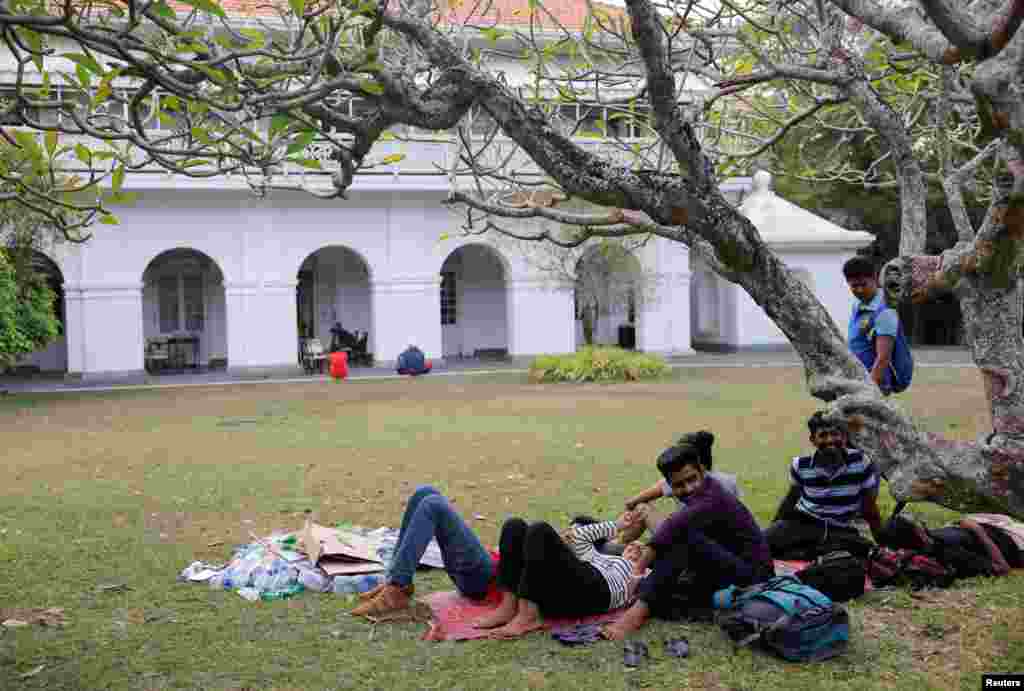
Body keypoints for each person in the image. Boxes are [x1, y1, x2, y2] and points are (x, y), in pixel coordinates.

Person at [601, 439, 773, 640]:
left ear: (702, 470)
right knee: (674, 554)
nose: (688, 488)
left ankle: (638, 611)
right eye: (679, 485)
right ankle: (615, 561)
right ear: (669, 485)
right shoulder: (703, 493)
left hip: (753, 578)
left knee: (682, 539)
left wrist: (637, 571)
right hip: (722, 566)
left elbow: (673, 528)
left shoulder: (712, 497)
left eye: (692, 479)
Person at [472, 511, 648, 638]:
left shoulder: (643, 573)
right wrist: (618, 525)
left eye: (640, 550)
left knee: (539, 529)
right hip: (569, 588)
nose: (635, 547)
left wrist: (644, 561)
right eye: (633, 545)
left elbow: (659, 582)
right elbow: (576, 537)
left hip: (599, 593)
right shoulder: (596, 555)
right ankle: (509, 605)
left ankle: (528, 616)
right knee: (514, 525)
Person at [351, 485, 494, 619]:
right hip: (488, 570)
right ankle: (395, 582)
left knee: (433, 504)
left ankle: (396, 588)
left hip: (487, 580)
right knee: (424, 492)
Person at [763, 412, 883, 560]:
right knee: (763, 544)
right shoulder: (801, 465)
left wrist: (882, 542)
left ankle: (810, 554)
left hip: (840, 530)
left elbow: (869, 508)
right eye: (823, 435)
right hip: (804, 524)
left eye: (835, 434)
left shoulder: (861, 462)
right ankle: (816, 553)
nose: (830, 440)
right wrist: (774, 530)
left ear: (845, 437)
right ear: (813, 440)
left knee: (862, 552)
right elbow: (790, 501)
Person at [617, 431, 740, 546]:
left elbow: (634, 502)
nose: (688, 488)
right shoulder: (727, 480)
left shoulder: (682, 479)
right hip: (710, 544)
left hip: (692, 547)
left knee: (642, 509)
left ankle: (616, 546)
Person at [843, 256, 913, 395]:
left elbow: (883, 358)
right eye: (854, 286)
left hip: (875, 385)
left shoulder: (885, 312)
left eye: (863, 284)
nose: (860, 290)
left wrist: (868, 392)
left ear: (875, 278)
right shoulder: (859, 304)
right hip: (858, 380)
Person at [878, 514, 1023, 577]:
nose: (919, 521)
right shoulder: (950, 554)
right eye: (914, 522)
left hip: (993, 530)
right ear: (917, 533)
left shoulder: (927, 543)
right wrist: (978, 530)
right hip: (1013, 544)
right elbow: (1003, 568)